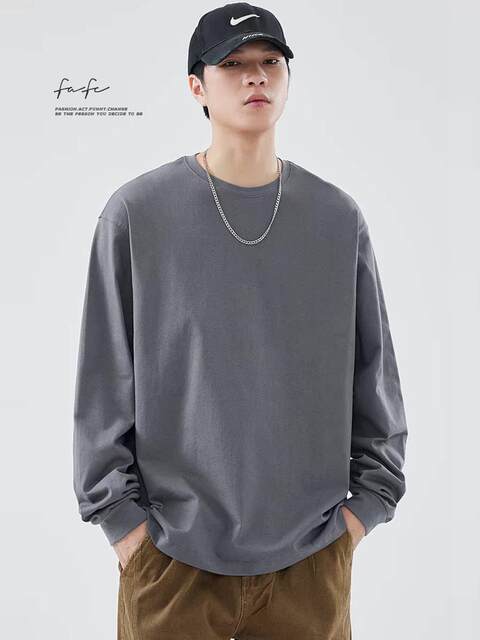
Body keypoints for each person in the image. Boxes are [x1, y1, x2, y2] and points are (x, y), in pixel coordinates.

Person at [73, 3, 408, 638]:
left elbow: (376, 378)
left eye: (270, 62)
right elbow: (103, 381)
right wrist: (125, 527)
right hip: (171, 561)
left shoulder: (336, 219)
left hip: (311, 560)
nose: (256, 76)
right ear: (196, 86)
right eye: (233, 64)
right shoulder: (138, 213)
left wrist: (361, 513)